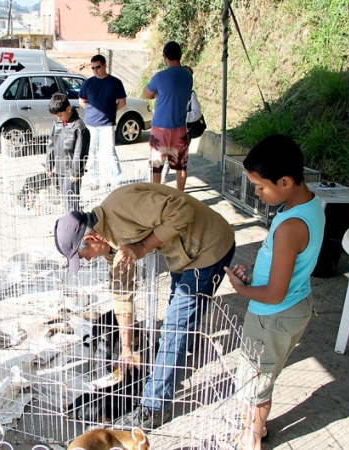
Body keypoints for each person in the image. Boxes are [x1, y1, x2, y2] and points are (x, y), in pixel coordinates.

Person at [54, 183, 236, 429]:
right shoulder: (109, 243)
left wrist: (140, 247)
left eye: (82, 255)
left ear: (90, 238)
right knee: (178, 316)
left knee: (175, 327)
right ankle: (175, 354)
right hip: (183, 253)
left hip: (208, 245)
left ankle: (155, 407)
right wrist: (126, 348)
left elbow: (182, 212)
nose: (85, 261)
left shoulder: (122, 207)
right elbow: (121, 293)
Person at [224, 135, 325, 450]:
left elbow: (276, 294)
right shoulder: (309, 205)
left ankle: (252, 438)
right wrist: (255, 277)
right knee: (262, 373)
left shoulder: (291, 226)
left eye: (260, 187)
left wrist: (243, 289)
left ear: (285, 181)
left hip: (273, 315)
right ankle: (255, 426)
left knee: (257, 381)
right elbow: (287, 268)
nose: (256, 192)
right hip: (291, 304)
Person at [142, 41, 193, 191]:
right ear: (180, 55)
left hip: (160, 128)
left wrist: (157, 93)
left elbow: (146, 93)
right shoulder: (188, 76)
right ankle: (181, 195)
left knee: (156, 166)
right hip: (180, 127)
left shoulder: (160, 77)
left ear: (164, 56)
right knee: (181, 166)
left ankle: (156, 195)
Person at [79, 54, 126, 190]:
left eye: (98, 67)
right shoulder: (88, 83)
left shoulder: (115, 82)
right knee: (92, 153)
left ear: (105, 65)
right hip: (90, 124)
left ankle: (116, 181)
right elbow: (82, 100)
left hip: (107, 124)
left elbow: (122, 102)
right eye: (93, 68)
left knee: (110, 153)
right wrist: (92, 109)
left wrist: (110, 111)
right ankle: (94, 181)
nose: (95, 70)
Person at [45, 92, 90, 213]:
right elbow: (51, 145)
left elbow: (80, 152)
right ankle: (70, 224)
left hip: (71, 173)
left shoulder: (79, 127)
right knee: (65, 199)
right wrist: (49, 164)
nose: (59, 118)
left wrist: (76, 172)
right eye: (56, 116)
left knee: (72, 202)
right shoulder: (57, 124)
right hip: (59, 169)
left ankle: (74, 226)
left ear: (68, 109)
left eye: (60, 115)